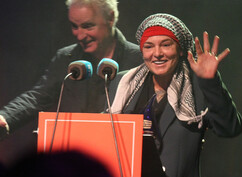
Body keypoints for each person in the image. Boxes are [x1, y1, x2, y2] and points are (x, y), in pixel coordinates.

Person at [110, 13, 242, 177]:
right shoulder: (121, 83)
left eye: (166, 45)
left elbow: (230, 128)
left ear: (181, 49)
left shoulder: (199, 87)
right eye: (149, 46)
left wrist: (210, 82)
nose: (157, 54)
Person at [0, 0, 142, 141]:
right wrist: (5, 116)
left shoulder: (139, 60)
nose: (80, 35)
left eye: (88, 26)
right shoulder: (66, 57)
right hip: (75, 150)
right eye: (75, 26)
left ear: (110, 18)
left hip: (121, 150)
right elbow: (38, 97)